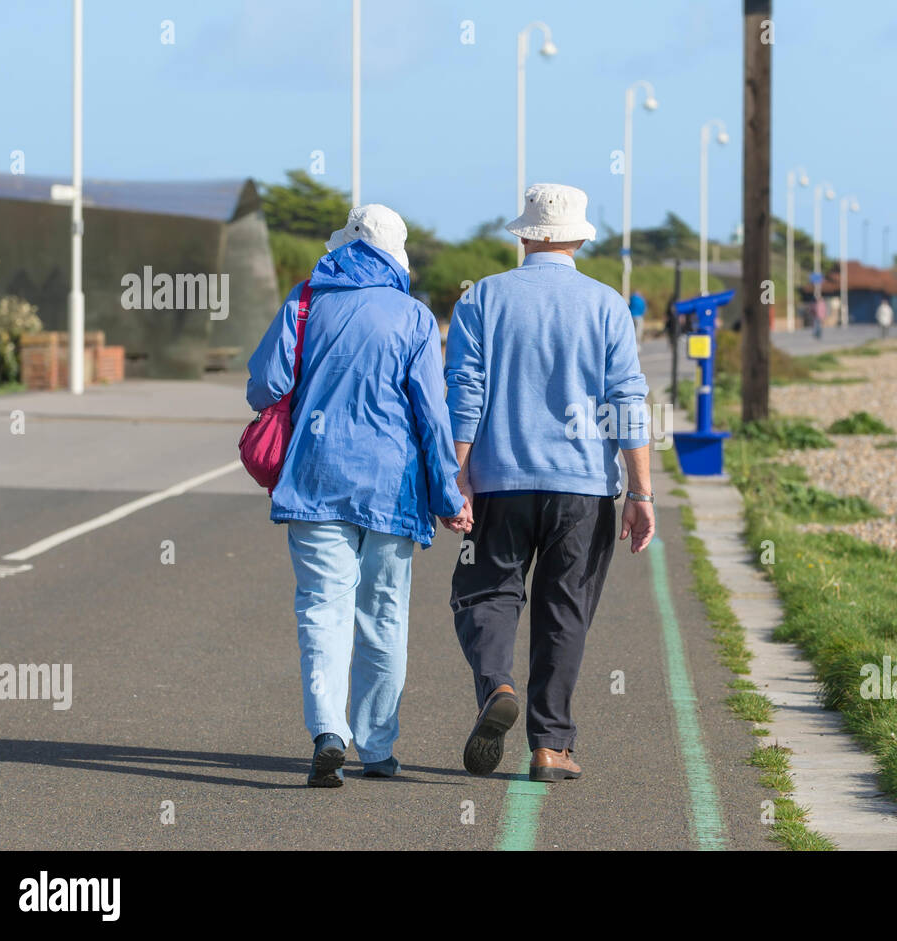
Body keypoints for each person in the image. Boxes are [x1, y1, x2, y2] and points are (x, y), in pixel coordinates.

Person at [246, 204, 466, 788]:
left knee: (322, 608)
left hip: (315, 478)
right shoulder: (415, 318)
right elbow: (432, 416)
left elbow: (265, 384)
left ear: (345, 247)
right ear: (397, 255)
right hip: (393, 488)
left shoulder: (306, 300)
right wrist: (447, 496)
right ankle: (377, 748)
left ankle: (327, 732)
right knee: (384, 616)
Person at [444, 183, 654, 783]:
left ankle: (497, 687)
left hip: (499, 482)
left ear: (524, 234)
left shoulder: (483, 298)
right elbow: (627, 402)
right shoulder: (607, 304)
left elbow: (465, 392)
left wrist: (456, 475)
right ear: (581, 236)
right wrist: (640, 493)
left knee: (486, 593)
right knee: (565, 612)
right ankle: (550, 747)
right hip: (584, 487)